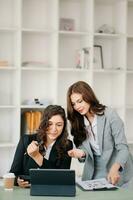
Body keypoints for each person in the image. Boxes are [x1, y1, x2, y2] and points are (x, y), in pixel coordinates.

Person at [67, 81, 133, 187]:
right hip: (94, 169)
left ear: (88, 97)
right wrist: (82, 154)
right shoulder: (77, 123)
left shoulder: (110, 115)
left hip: (117, 166)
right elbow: (84, 155)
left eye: (80, 101)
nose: (77, 106)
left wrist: (115, 168)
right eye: (73, 104)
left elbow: (123, 148)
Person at [10, 105, 73, 188]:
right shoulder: (26, 140)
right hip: (27, 192)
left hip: (53, 191)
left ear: (64, 126)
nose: (54, 129)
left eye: (59, 125)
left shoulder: (67, 145)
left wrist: (37, 156)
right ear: (44, 123)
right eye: (50, 124)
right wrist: (18, 181)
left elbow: (62, 178)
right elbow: (14, 173)